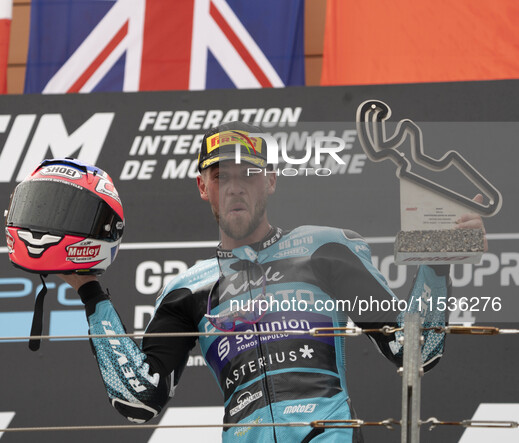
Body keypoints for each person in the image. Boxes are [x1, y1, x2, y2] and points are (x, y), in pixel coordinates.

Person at [60, 122, 486, 442]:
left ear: (271, 180)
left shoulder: (325, 248)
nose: (235, 188)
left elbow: (415, 350)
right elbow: (138, 400)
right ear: (203, 187)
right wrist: (89, 290)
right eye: (222, 176)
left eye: (248, 174)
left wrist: (437, 263)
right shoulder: (187, 290)